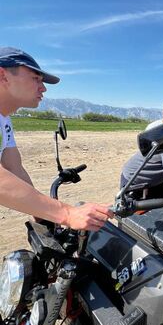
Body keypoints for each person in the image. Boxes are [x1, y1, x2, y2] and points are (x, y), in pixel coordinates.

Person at [0, 46, 112, 231]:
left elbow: (14, 167)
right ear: (3, 75)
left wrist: (42, 212)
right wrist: (67, 214)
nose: (43, 87)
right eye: (36, 78)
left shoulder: (4, 119)